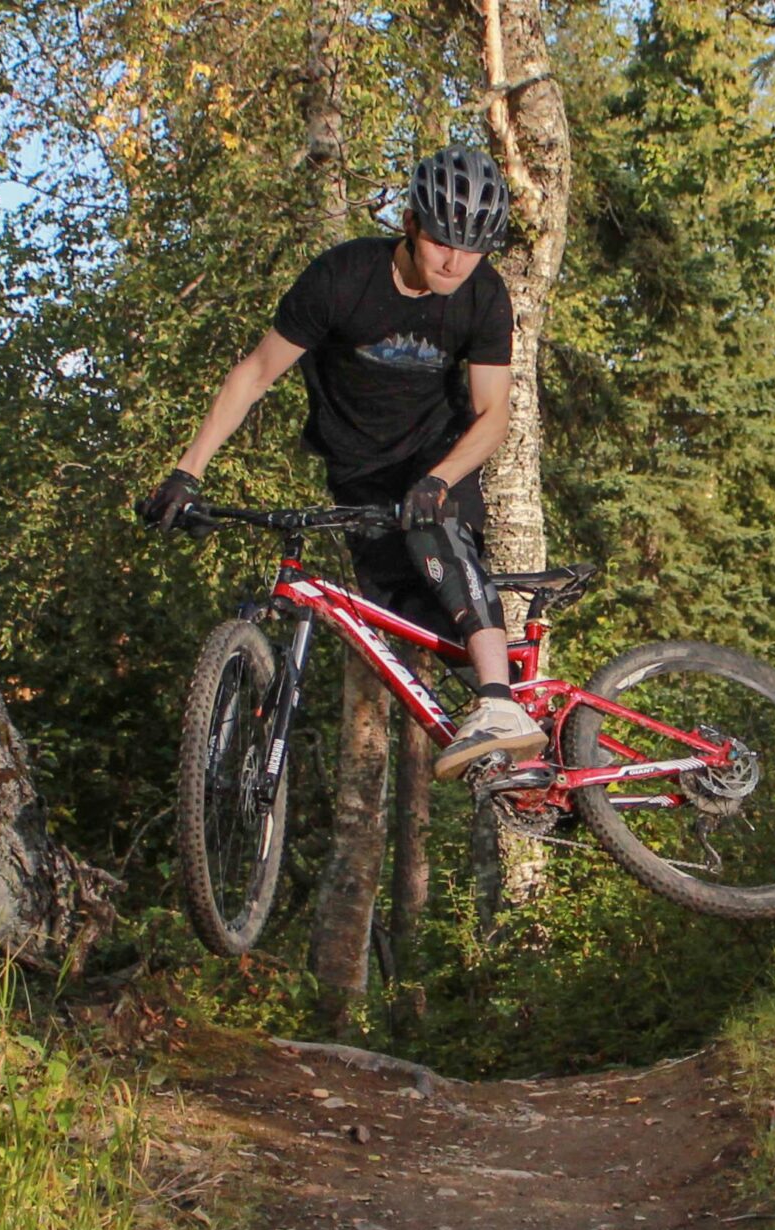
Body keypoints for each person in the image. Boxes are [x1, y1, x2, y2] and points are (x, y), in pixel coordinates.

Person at [135, 143, 545, 781]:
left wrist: (439, 479)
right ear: (411, 223)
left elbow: (493, 414)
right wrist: (187, 472)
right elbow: (254, 374)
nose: (455, 261)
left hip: (441, 467)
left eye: (472, 248)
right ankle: (534, 724)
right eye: (442, 240)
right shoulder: (340, 279)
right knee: (416, 624)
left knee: (436, 533)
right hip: (359, 480)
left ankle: (499, 706)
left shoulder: (482, 294)